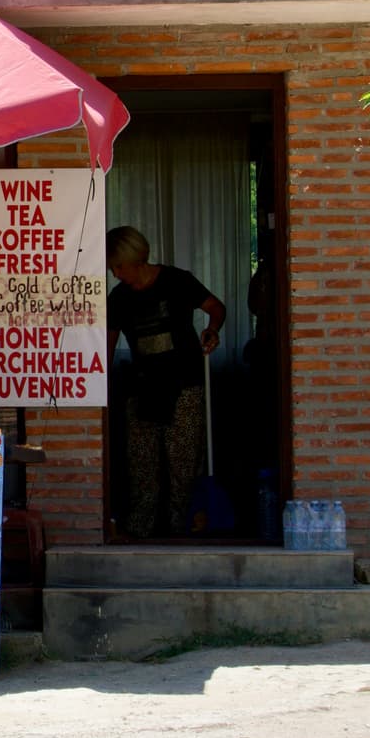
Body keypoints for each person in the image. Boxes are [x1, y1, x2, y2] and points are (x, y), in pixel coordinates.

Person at [106, 226, 228, 539]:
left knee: (184, 464)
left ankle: (182, 532)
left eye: (119, 265)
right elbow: (107, 345)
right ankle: (140, 532)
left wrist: (212, 330)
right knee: (142, 467)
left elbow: (216, 307)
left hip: (184, 385)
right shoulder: (119, 298)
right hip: (142, 388)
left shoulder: (177, 281)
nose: (116, 273)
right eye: (113, 267)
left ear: (136, 258)